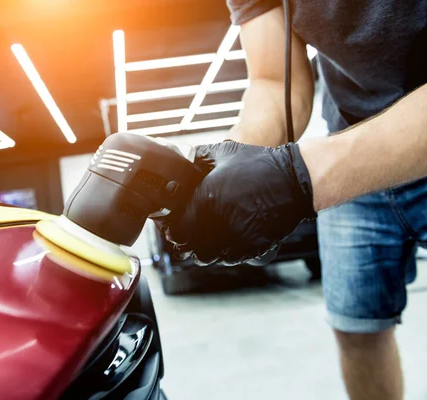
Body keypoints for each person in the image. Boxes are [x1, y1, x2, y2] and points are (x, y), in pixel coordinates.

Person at [163, 1, 427, 399]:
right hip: (350, 146)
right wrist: (231, 167)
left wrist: (299, 176)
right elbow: (272, 82)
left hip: (360, 155)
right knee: (357, 328)